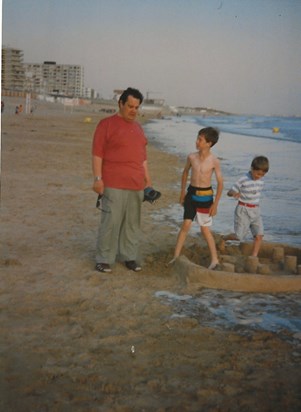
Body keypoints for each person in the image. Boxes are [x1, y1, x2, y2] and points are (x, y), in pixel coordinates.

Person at [92, 87, 153, 273]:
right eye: (130, 106)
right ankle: (104, 259)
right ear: (120, 104)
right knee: (110, 222)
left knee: (132, 224)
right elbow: (97, 155)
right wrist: (97, 179)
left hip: (136, 185)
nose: (133, 110)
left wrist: (148, 182)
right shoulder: (106, 125)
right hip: (113, 183)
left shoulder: (138, 128)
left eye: (137, 107)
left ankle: (129, 257)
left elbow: (143, 158)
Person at [169, 127, 223, 269]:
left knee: (204, 229)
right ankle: (175, 256)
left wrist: (215, 204)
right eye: (197, 138)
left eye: (200, 140)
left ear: (209, 143)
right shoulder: (192, 157)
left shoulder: (214, 161)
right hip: (191, 193)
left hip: (205, 197)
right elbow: (185, 172)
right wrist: (182, 192)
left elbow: (220, 183)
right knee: (186, 225)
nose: (197, 141)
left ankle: (215, 259)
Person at [224, 155, 269, 257]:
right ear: (252, 168)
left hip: (256, 210)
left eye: (262, 175)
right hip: (243, 209)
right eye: (257, 173)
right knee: (239, 236)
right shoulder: (243, 179)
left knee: (259, 235)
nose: (259, 176)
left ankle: (253, 257)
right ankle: (225, 238)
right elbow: (229, 192)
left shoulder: (261, 180)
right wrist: (234, 193)